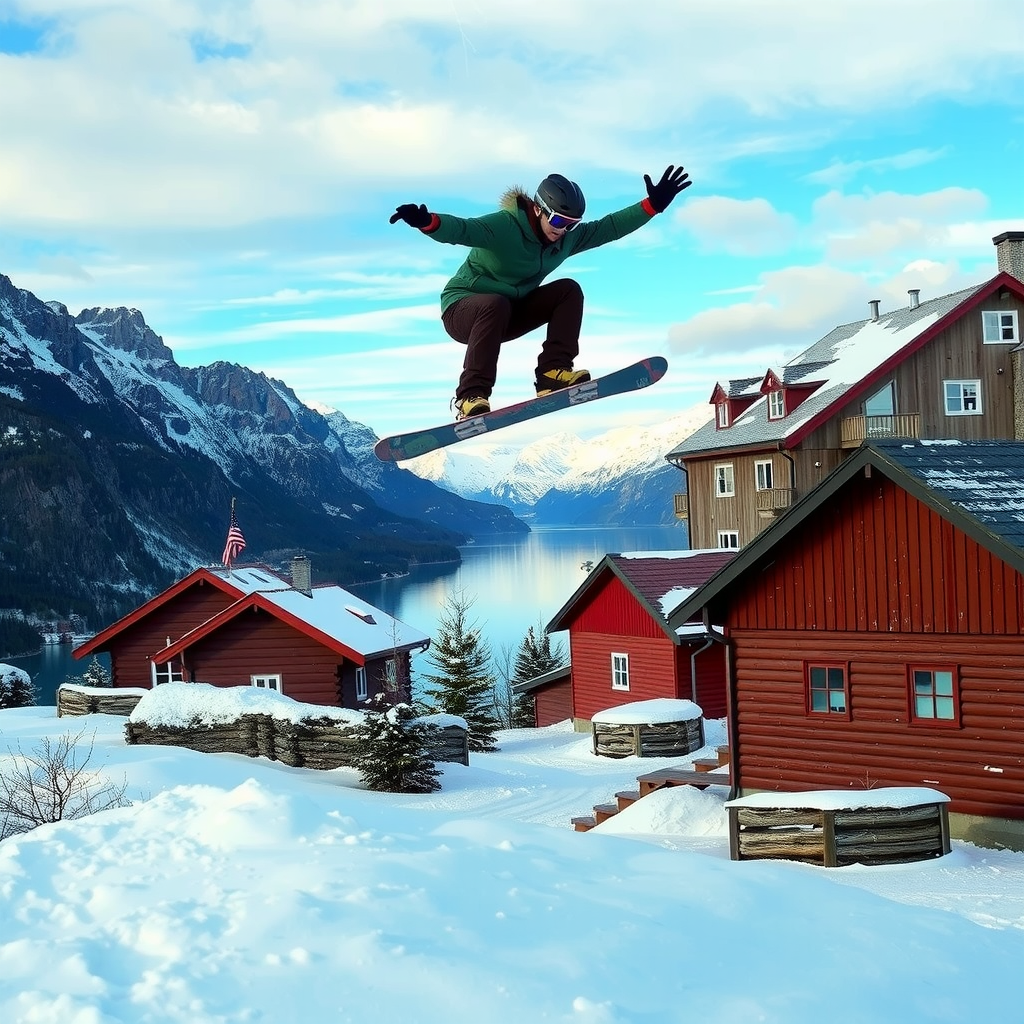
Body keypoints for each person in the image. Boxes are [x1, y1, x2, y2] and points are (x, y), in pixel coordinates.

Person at [389, 165, 692, 419]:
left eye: (571, 225)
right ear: (538, 209)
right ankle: (471, 396)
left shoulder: (564, 240)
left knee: (568, 290)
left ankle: (552, 373)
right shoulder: (504, 226)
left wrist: (652, 206)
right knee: (494, 304)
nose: (562, 231)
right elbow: (463, 230)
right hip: (462, 311)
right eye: (559, 221)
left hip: (507, 312)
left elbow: (608, 228)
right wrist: (427, 222)